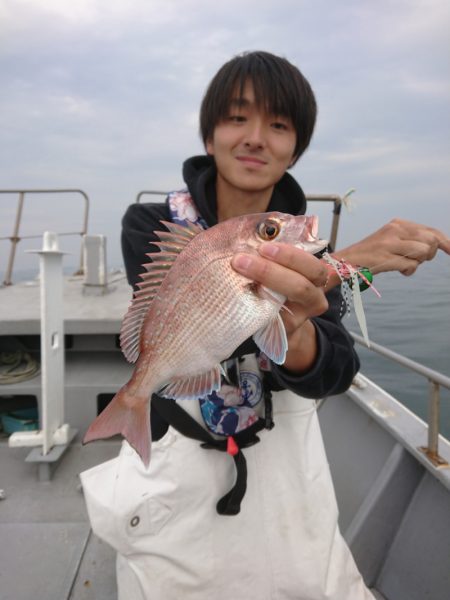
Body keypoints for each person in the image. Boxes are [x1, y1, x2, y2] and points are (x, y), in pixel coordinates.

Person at [81, 51, 450, 600]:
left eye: (278, 125)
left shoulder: (305, 245)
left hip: (286, 460)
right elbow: (196, 328)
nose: (256, 137)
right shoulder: (154, 226)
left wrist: (322, 293)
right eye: (237, 118)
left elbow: (336, 369)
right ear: (209, 137)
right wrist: (343, 263)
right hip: (178, 452)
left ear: (295, 149)